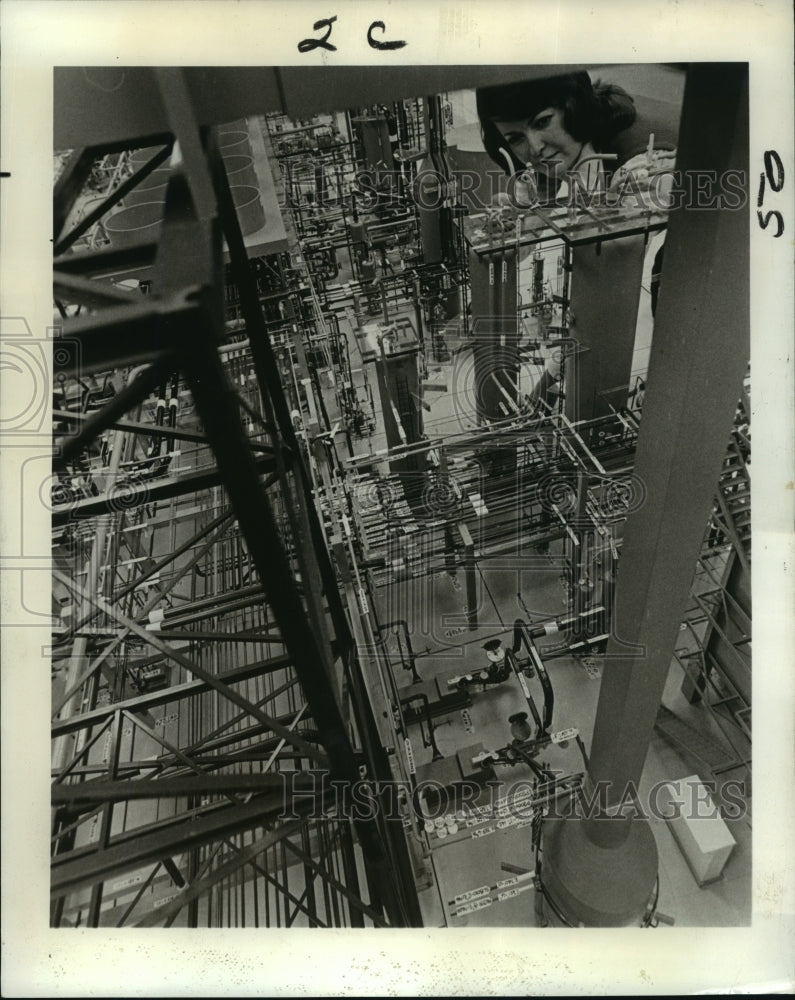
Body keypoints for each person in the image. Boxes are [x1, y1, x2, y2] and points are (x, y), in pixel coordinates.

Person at [476, 70, 677, 207]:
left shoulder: (643, 170)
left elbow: (618, 261)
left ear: (575, 106)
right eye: (515, 139)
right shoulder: (556, 155)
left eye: (542, 122)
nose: (535, 148)